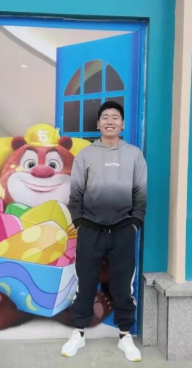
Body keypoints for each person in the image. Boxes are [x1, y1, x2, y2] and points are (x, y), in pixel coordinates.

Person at [61, 101, 147, 362]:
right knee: (85, 284)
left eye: (115, 117)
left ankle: (125, 335)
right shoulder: (86, 155)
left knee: (123, 286)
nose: (110, 121)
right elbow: (75, 194)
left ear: (123, 124)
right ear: (98, 124)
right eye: (105, 117)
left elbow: (140, 194)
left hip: (123, 231)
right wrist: (80, 223)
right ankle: (78, 333)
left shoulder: (134, 154)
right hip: (90, 230)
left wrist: (134, 224)